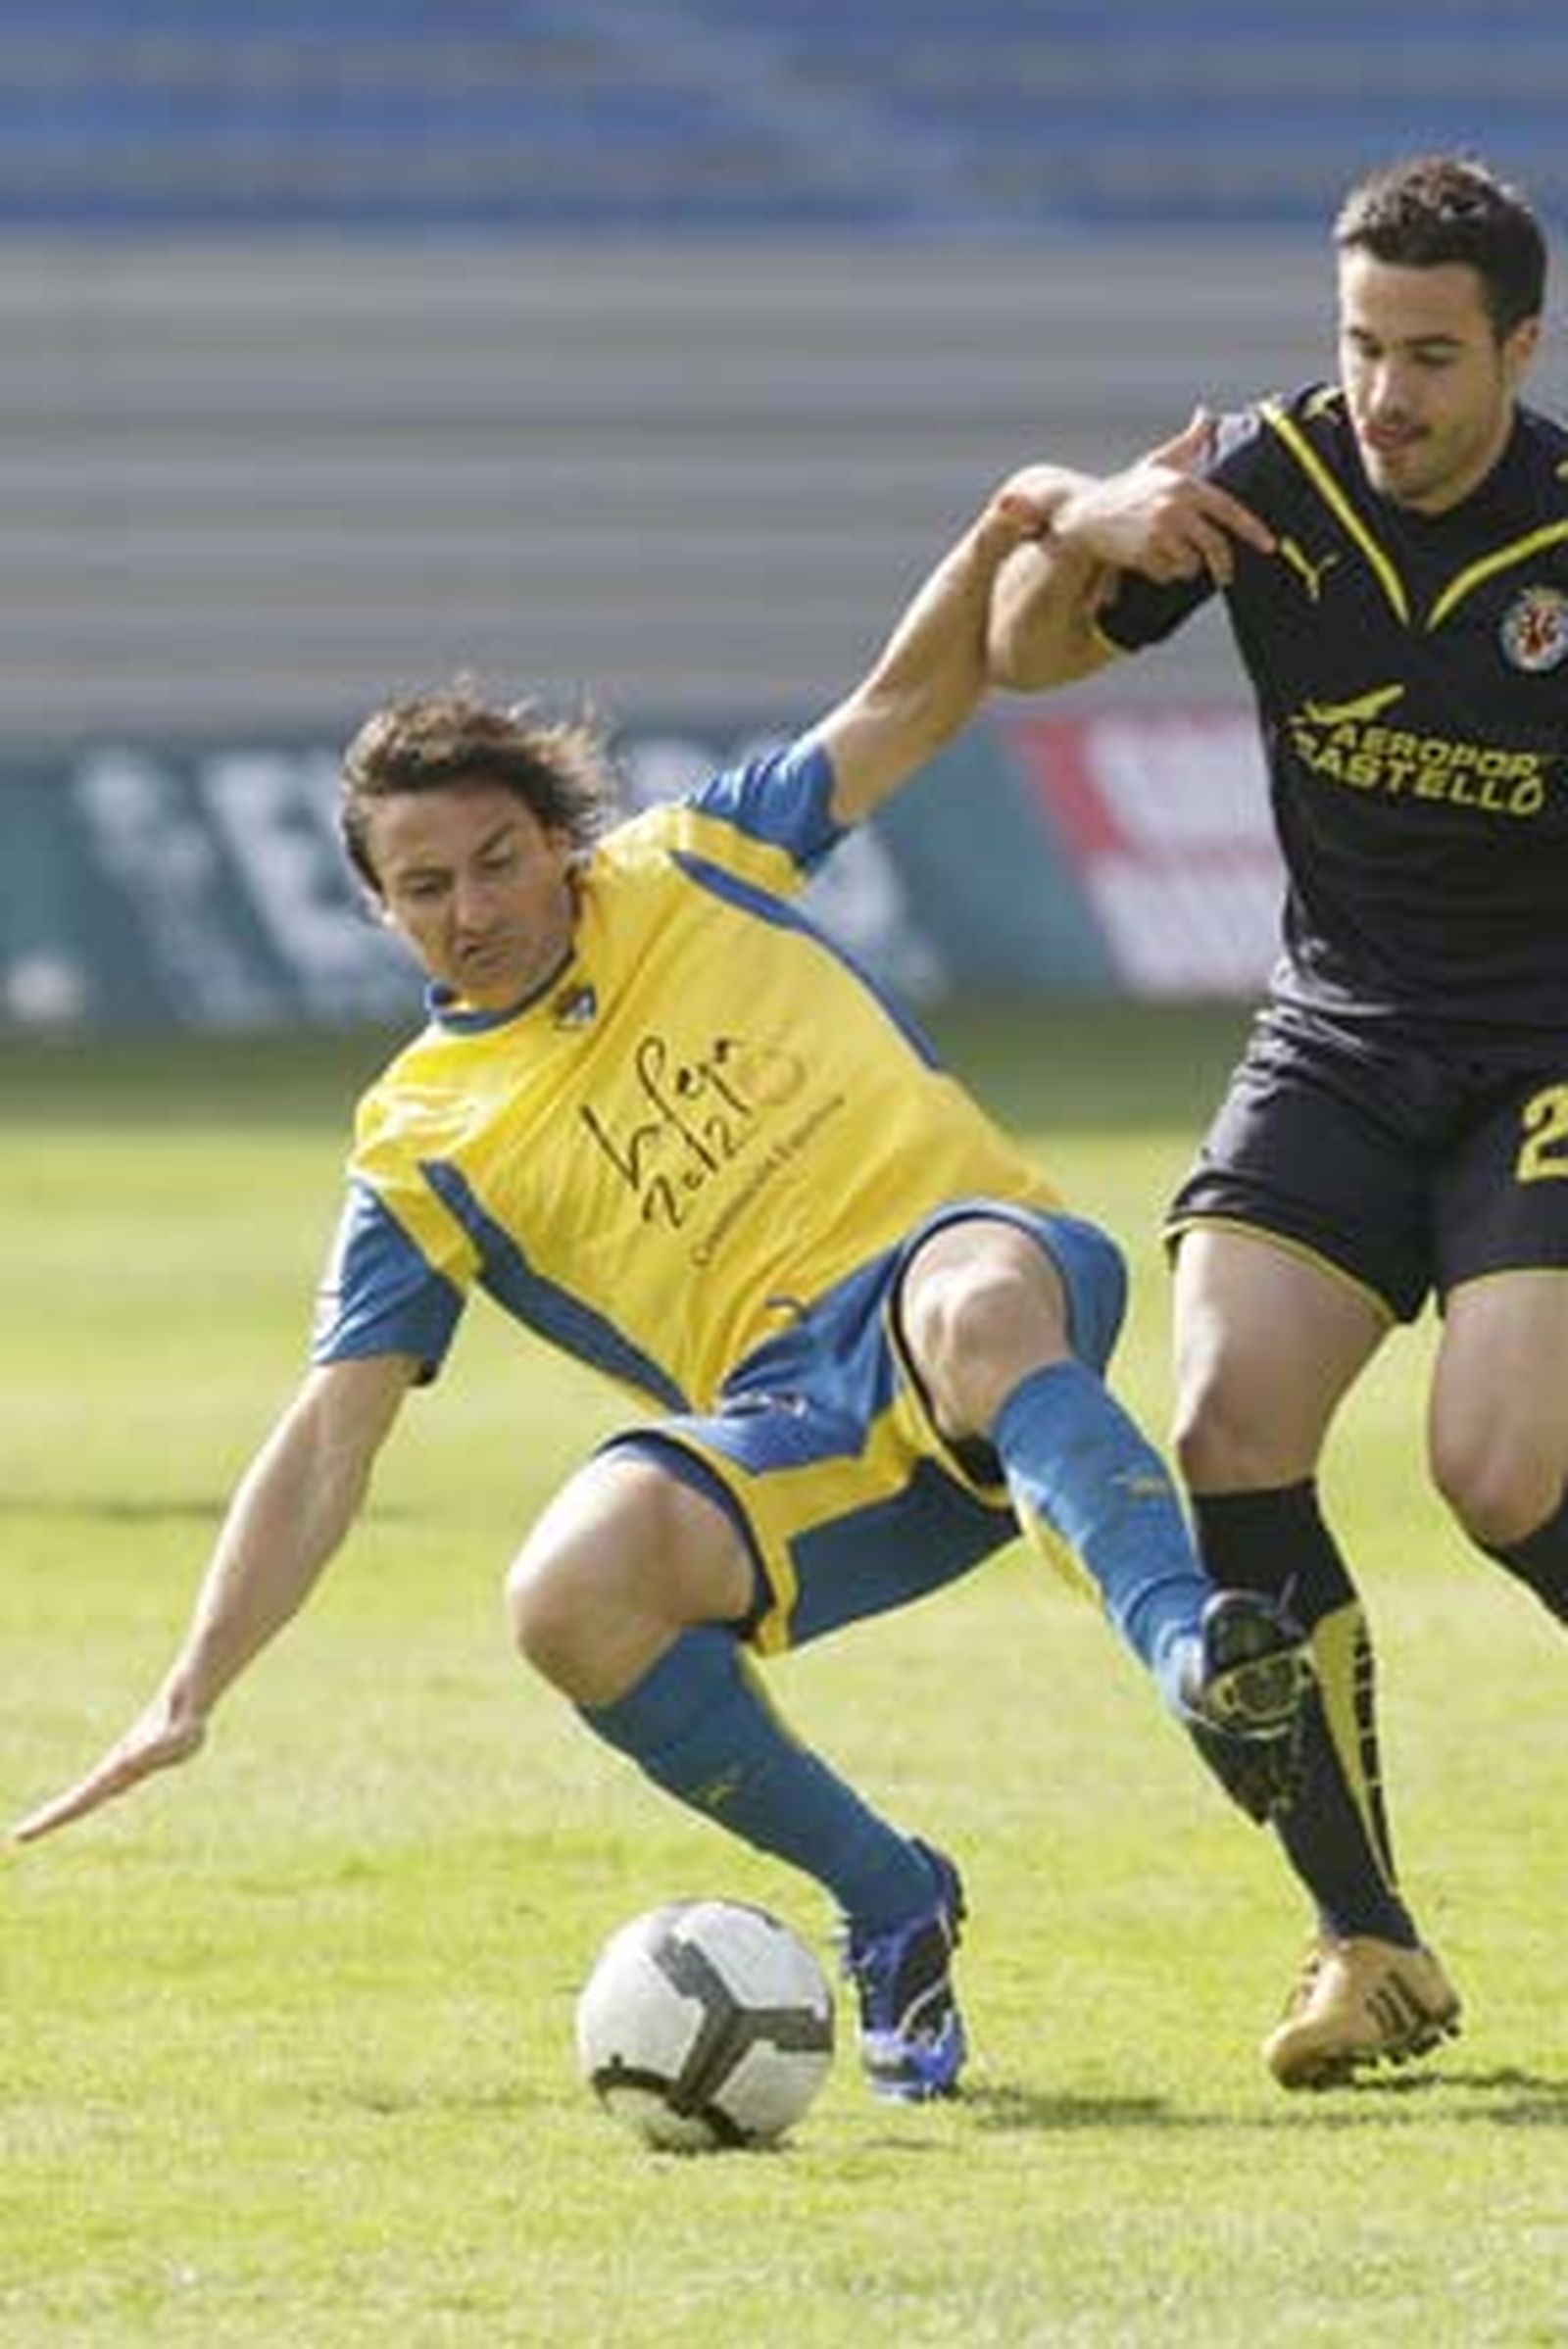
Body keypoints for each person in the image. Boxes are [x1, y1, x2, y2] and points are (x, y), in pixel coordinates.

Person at [9, 472, 1311, 2106]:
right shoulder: (418, 1142)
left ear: (558, 838)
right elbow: (331, 1435)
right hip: (804, 1433)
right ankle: (891, 1893)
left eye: (498, 860)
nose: (474, 910)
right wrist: (189, 1689)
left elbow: (910, 702)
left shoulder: (689, 864)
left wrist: (1007, 529)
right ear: (378, 905)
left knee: (971, 1308)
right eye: (427, 888)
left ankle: (1200, 1653)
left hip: (974, 1274)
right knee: (564, 1593)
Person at [987, 151, 1568, 2089]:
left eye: (1427, 354)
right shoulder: (1264, 482)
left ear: (1514, 346)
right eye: (1357, 343)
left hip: (1544, 1053)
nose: (1384, 392)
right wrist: (1094, 522)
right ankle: (1363, 1939)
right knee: (1223, 1425)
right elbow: (1018, 650)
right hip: (1337, 1032)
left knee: (1493, 1471)